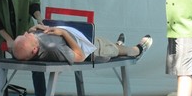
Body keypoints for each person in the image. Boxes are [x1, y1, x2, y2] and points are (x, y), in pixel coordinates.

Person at [12, 24, 153, 63]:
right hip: (93, 51)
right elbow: (79, 57)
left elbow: (23, 48)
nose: (27, 33)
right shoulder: (53, 49)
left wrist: (35, 28)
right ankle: (138, 51)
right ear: (35, 50)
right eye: (26, 36)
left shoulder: (32, 44)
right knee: (119, 50)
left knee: (107, 43)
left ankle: (117, 44)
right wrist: (63, 33)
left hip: (83, 39)